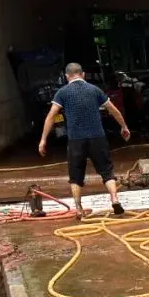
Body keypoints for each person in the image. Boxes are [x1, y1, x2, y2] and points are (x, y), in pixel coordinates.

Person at [39, 62, 131, 218]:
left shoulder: (62, 93)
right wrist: (124, 127)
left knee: (75, 176)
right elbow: (113, 110)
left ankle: (79, 208)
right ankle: (114, 199)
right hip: (97, 137)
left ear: (67, 76)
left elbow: (51, 116)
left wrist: (43, 139)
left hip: (76, 140)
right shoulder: (94, 90)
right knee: (107, 172)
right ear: (83, 74)